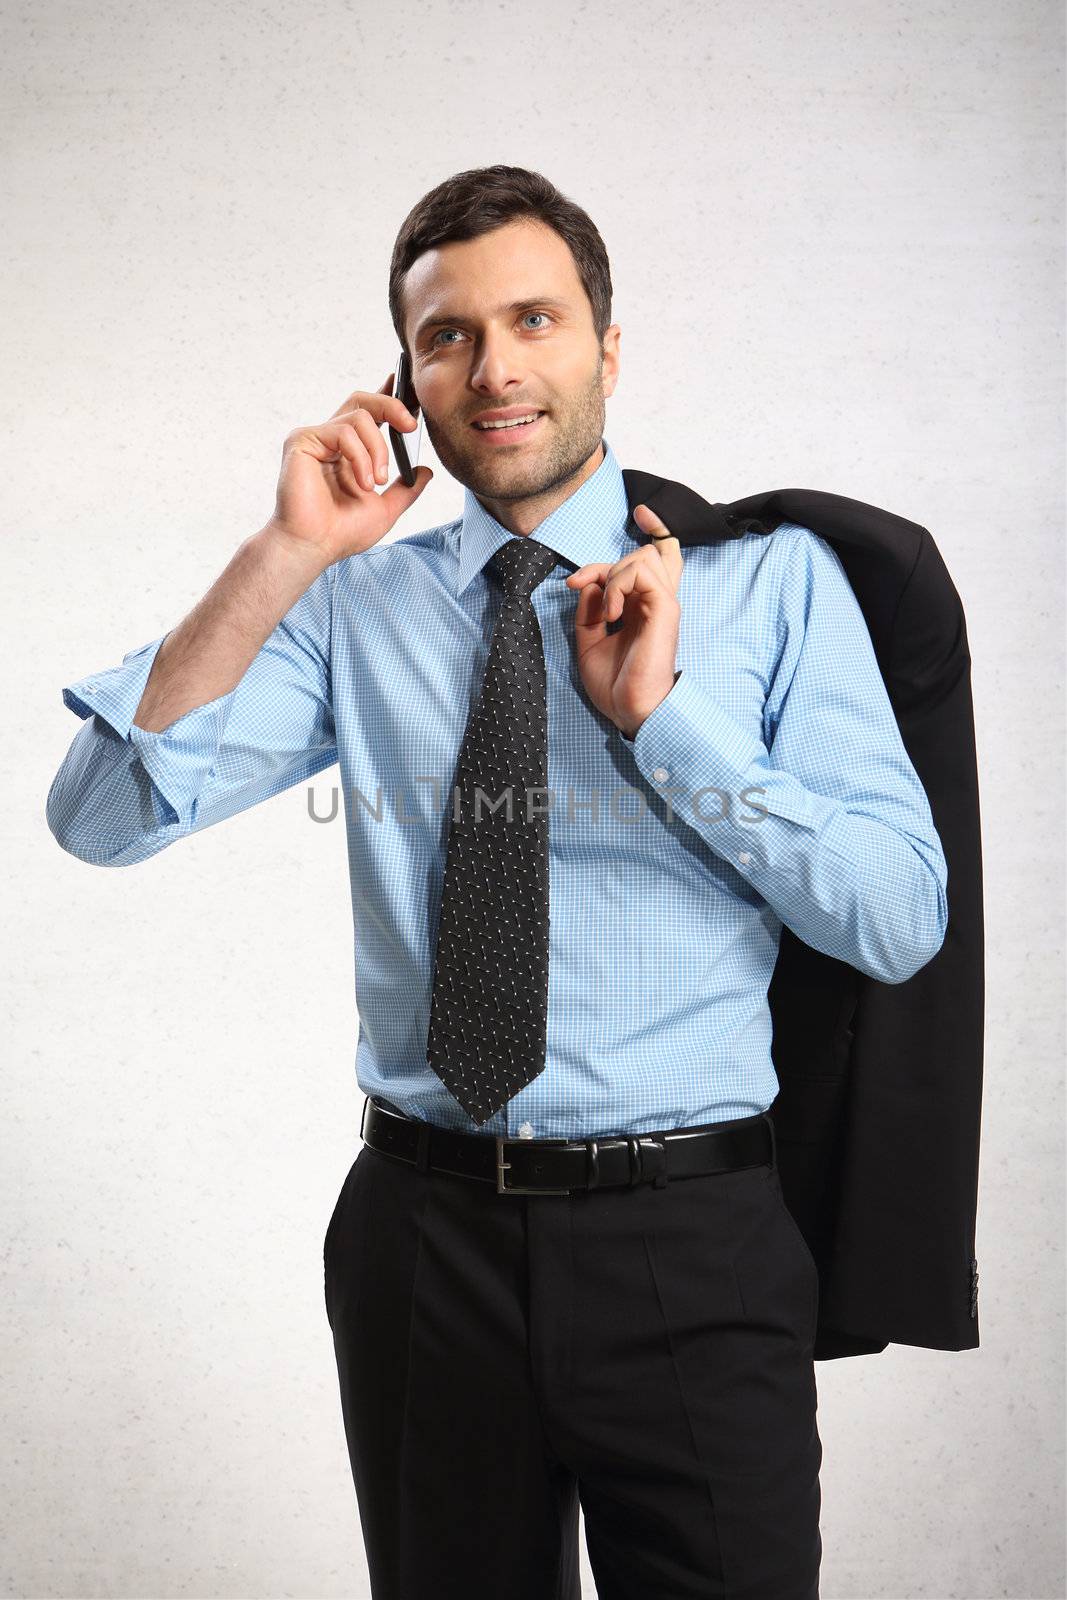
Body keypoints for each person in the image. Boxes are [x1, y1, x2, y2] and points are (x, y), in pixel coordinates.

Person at [47, 164, 948, 1600]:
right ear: (403, 377)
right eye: (448, 336)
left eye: (533, 318)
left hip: (694, 1248)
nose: (495, 366)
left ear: (605, 345)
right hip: (425, 1250)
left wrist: (668, 720)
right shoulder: (352, 607)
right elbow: (97, 816)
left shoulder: (769, 587)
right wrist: (286, 551)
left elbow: (898, 923)